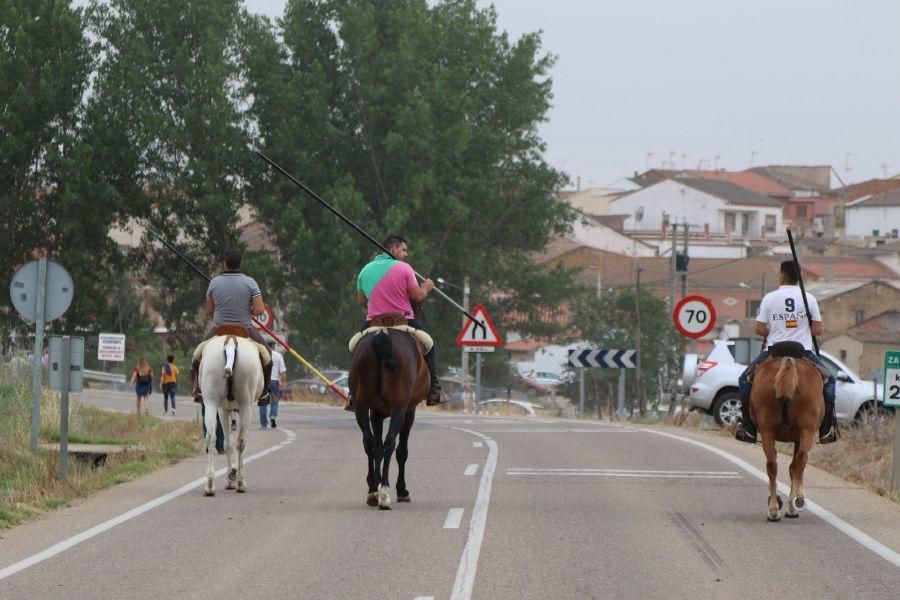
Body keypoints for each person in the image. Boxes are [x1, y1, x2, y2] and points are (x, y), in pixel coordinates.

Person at [732, 259, 838, 444]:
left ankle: (748, 429)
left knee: (744, 380)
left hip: (775, 350)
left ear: (782, 276)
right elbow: (818, 330)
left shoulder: (770, 298)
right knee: (830, 382)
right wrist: (801, 325)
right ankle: (826, 429)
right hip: (803, 351)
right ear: (800, 277)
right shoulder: (809, 298)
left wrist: (773, 330)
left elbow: (759, 328)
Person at [347, 235, 447, 410]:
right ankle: (434, 390)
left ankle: (353, 394)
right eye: (403, 249)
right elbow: (418, 296)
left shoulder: (365, 270)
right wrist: (426, 287)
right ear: (393, 249)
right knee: (429, 345)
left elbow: (362, 302)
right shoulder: (404, 268)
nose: (406, 254)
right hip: (404, 320)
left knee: (354, 347)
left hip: (373, 322)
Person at [191, 249, 272, 402]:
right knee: (267, 354)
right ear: (239, 264)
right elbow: (260, 309)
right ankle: (264, 392)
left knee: (196, 356)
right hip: (245, 330)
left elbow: (209, 311)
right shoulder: (250, 282)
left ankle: (199, 390)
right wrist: (250, 310)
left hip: (218, 330)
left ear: (225, 264)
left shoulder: (214, 283)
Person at [260, 341, 287, 429]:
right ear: (273, 346)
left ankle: (264, 424)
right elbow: (282, 370)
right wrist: (283, 381)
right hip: (274, 381)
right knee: (274, 401)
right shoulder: (278, 355)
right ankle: (273, 417)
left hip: (264, 381)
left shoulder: (262, 355)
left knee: (263, 402)